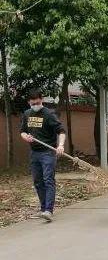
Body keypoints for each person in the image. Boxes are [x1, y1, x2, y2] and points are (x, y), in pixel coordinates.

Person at [20, 89, 66, 222]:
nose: (35, 105)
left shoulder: (49, 114)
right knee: (38, 182)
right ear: (29, 102)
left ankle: (48, 210)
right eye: (33, 103)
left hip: (48, 153)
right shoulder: (27, 114)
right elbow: (22, 131)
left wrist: (61, 145)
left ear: (42, 100)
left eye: (38, 102)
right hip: (34, 153)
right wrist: (26, 137)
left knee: (48, 180)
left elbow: (61, 131)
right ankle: (43, 208)